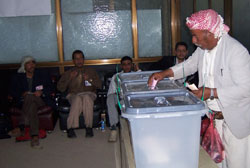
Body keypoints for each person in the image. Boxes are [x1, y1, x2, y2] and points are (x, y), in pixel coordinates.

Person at [148, 9, 250, 168]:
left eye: (196, 36)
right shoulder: (203, 49)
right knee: (217, 162)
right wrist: (164, 73)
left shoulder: (236, 52)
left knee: (236, 163)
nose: (193, 40)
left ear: (210, 33)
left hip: (234, 121)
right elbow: (189, 65)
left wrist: (212, 92)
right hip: (214, 120)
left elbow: (246, 89)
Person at [9, 56, 54, 149]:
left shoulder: (41, 75)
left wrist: (42, 92)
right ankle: (34, 136)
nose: (31, 65)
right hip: (24, 102)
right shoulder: (18, 77)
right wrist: (22, 94)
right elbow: (12, 91)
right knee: (31, 104)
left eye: (33, 63)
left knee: (31, 97)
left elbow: (51, 87)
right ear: (24, 66)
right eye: (28, 63)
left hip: (41, 100)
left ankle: (21, 127)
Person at [57, 50, 101, 138]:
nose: (79, 60)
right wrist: (70, 78)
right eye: (76, 59)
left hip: (89, 93)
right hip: (74, 95)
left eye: (81, 58)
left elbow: (99, 85)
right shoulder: (68, 73)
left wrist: (90, 79)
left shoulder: (91, 71)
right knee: (77, 99)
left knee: (86, 98)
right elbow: (60, 88)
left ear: (83, 59)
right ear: (73, 61)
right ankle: (70, 128)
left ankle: (89, 127)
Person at [107, 56, 140, 142]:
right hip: (120, 97)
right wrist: (118, 93)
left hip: (133, 98)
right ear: (121, 66)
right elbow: (111, 92)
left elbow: (142, 86)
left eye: (129, 64)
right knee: (110, 98)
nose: (126, 66)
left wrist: (138, 71)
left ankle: (133, 127)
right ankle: (114, 127)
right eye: (124, 65)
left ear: (132, 65)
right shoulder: (116, 76)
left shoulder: (136, 75)